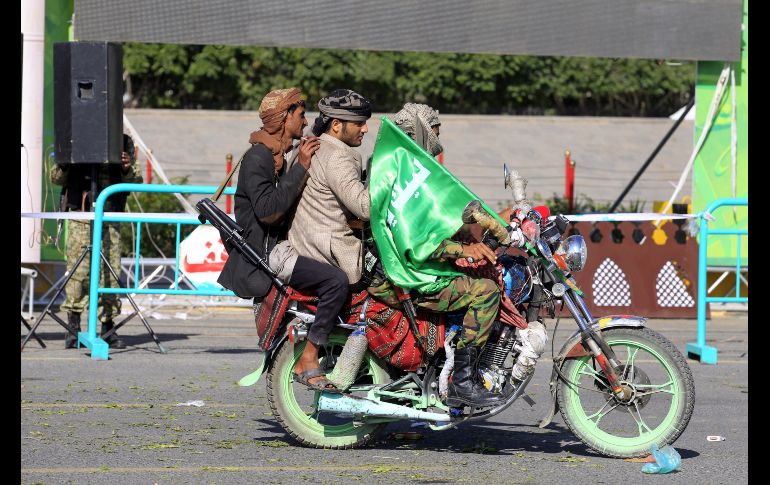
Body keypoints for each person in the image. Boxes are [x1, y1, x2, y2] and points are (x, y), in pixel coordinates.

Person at [366, 102, 535, 408]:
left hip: (417, 266)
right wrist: (465, 249)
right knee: (485, 291)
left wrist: (492, 224)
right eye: (434, 131)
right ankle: (462, 382)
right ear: (418, 131)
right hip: (403, 274)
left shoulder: (414, 171)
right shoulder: (396, 175)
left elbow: (444, 217)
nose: (438, 139)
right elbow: (413, 238)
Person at [217, 88, 347, 393]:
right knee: (336, 281)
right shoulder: (259, 157)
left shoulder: (277, 154)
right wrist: (301, 166)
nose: (305, 121)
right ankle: (310, 356)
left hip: (284, 246)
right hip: (270, 254)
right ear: (284, 117)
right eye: (300, 115)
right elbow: (268, 212)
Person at [50, 133, 143, 349]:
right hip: (81, 217)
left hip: (110, 218)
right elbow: (55, 178)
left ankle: (107, 328)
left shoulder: (123, 141)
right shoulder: (73, 137)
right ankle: (73, 328)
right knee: (79, 273)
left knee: (110, 274)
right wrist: (65, 162)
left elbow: (137, 180)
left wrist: (126, 168)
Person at [287, 89, 373, 287]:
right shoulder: (337, 156)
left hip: (304, 247)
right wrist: (382, 173)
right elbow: (365, 208)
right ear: (336, 125)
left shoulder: (314, 144)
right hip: (328, 253)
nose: (365, 129)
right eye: (358, 123)